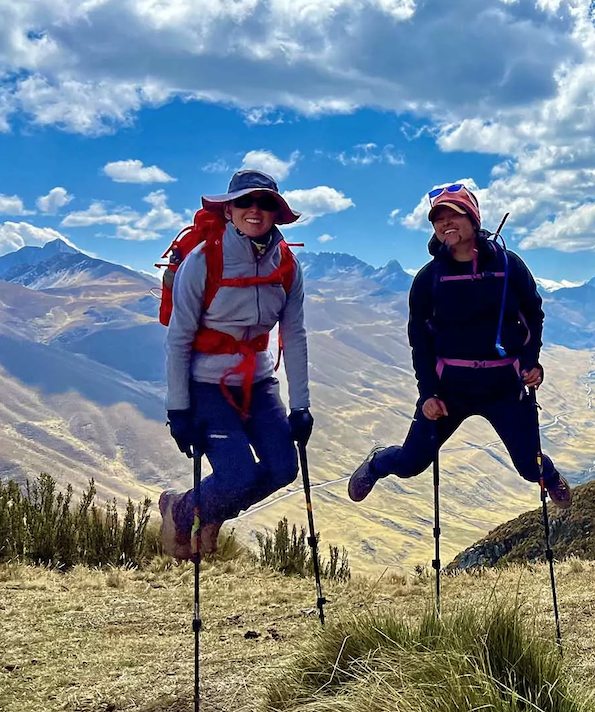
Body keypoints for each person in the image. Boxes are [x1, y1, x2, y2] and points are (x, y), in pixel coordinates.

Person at [346, 184, 569, 508]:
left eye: (455, 214)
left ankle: (549, 476)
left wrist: (530, 361)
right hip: (451, 389)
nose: (446, 223)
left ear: (474, 219)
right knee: (410, 464)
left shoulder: (509, 266)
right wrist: (428, 394)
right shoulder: (428, 279)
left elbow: (533, 314)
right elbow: (419, 341)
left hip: (504, 385)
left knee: (528, 466)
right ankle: (378, 462)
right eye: (439, 218)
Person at [159, 169, 314, 561]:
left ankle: (208, 513)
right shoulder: (202, 260)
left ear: (277, 213)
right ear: (229, 211)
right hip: (206, 385)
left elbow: (293, 336)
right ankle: (181, 510)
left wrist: (301, 406)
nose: (255, 210)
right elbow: (178, 337)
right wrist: (178, 410)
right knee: (238, 475)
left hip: (258, 382)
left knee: (282, 468)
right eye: (245, 202)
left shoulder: (288, 267)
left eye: (265, 203)